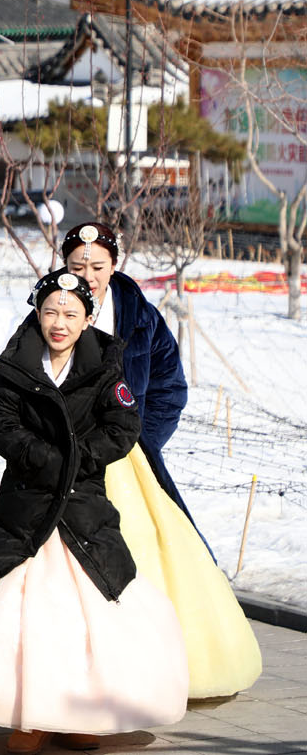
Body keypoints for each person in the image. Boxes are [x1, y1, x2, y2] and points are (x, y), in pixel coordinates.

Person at [0, 269, 188, 754]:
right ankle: (29, 718)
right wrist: (41, 457)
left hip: (83, 508)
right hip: (27, 505)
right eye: (51, 311)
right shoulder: (17, 362)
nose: (59, 322)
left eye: (71, 314)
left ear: (87, 318)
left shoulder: (105, 365)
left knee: (87, 616)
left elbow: (123, 424)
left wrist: (80, 459)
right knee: (21, 617)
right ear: (38, 312)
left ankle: (81, 715)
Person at [62, 221, 262, 699]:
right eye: (76, 266)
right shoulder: (51, 310)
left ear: (115, 264)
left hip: (130, 462)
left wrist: (138, 440)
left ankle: (158, 668)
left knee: (147, 555)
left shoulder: (141, 318)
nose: (87, 275)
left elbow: (170, 387)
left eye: (97, 265)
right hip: (68, 463)